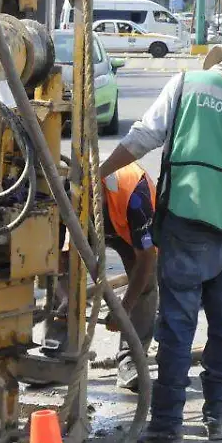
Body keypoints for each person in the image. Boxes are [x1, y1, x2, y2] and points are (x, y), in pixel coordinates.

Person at [99, 43, 222, 443]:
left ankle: (167, 426)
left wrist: (98, 173)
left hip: (185, 224)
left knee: (177, 327)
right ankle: (217, 417)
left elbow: (143, 136)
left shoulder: (188, 84)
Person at [43, 163, 158, 393]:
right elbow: (53, 257)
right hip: (93, 224)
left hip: (126, 227)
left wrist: (124, 308)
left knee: (146, 286)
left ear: (100, 193)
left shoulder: (136, 196)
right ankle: (57, 348)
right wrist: (65, 296)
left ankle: (131, 360)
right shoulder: (63, 198)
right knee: (61, 278)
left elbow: (146, 261)